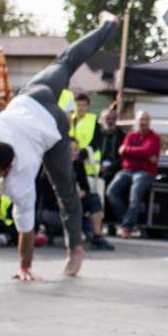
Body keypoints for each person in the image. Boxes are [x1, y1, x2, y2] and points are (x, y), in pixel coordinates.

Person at [0, 14, 119, 279]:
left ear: (8, 168)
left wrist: (25, 267)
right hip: (33, 96)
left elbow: (26, 230)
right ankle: (107, 28)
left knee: (65, 190)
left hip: (53, 124)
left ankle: (75, 248)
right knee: (65, 60)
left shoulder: (23, 176)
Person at [105, 110, 161, 238]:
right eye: (141, 119)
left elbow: (147, 151)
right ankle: (126, 220)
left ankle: (127, 227)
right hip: (127, 170)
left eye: (146, 119)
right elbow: (125, 152)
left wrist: (129, 151)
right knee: (111, 192)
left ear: (150, 122)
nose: (143, 122)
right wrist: (143, 154)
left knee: (134, 195)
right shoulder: (130, 135)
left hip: (145, 172)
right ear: (136, 121)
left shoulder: (155, 137)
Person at [67, 92, 110, 245]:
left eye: (84, 105)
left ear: (88, 106)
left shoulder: (93, 121)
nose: (81, 108)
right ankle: (85, 230)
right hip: (70, 163)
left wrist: (83, 152)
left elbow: (97, 142)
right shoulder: (69, 119)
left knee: (91, 199)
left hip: (88, 168)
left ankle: (93, 232)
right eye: (78, 104)